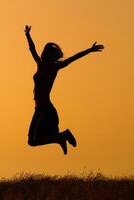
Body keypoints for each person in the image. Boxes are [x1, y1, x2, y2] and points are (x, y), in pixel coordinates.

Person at [25, 25, 104, 155]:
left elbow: (73, 58)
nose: (42, 53)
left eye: (45, 52)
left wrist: (89, 50)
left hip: (46, 110)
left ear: (50, 56)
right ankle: (60, 138)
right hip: (38, 109)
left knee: (35, 140)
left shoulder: (54, 67)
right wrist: (27, 35)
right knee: (31, 142)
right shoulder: (39, 64)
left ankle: (63, 136)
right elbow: (32, 49)